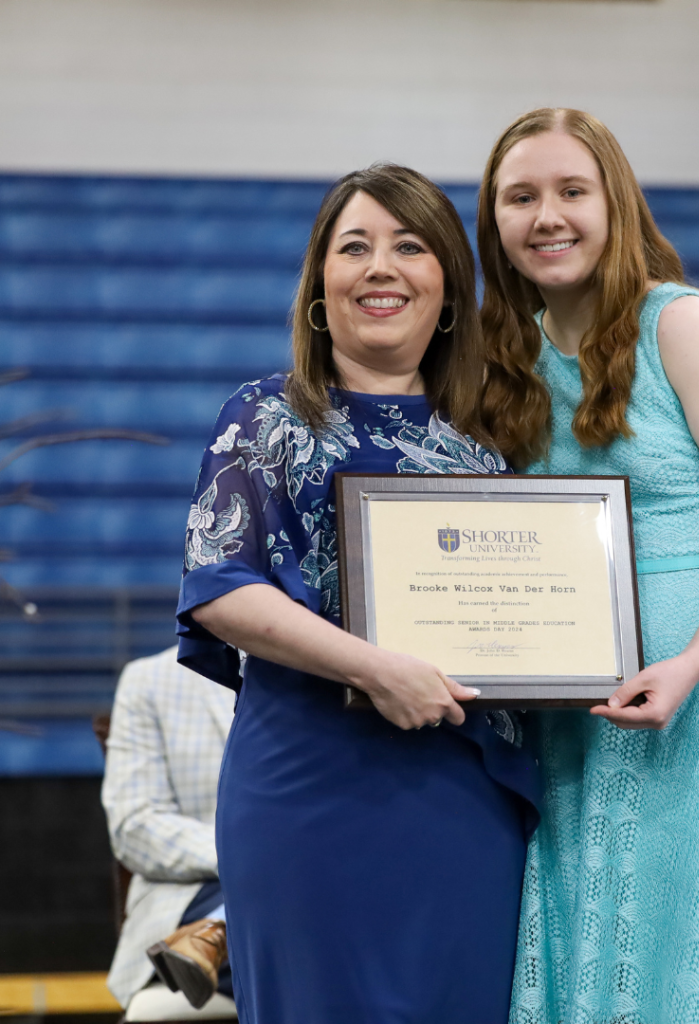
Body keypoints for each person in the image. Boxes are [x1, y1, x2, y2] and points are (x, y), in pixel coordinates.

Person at [476, 108, 699, 1023]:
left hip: (695, 700)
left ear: (615, 204)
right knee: (595, 933)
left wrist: (689, 664)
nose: (547, 215)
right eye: (521, 196)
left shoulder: (681, 323)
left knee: (690, 941)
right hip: (574, 714)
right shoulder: (498, 357)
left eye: (570, 191)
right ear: (494, 222)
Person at [175, 164, 540, 1024]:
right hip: (308, 793)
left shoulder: (494, 442)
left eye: (409, 246)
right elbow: (222, 588)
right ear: (320, 284)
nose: (382, 267)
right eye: (355, 248)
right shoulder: (262, 417)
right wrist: (377, 668)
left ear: (447, 287)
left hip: (464, 796)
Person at [101, 647, 234, 1011]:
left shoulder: (334, 673)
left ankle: (217, 933)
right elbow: (136, 824)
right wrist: (243, 854)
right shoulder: (149, 680)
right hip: (197, 889)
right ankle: (220, 926)